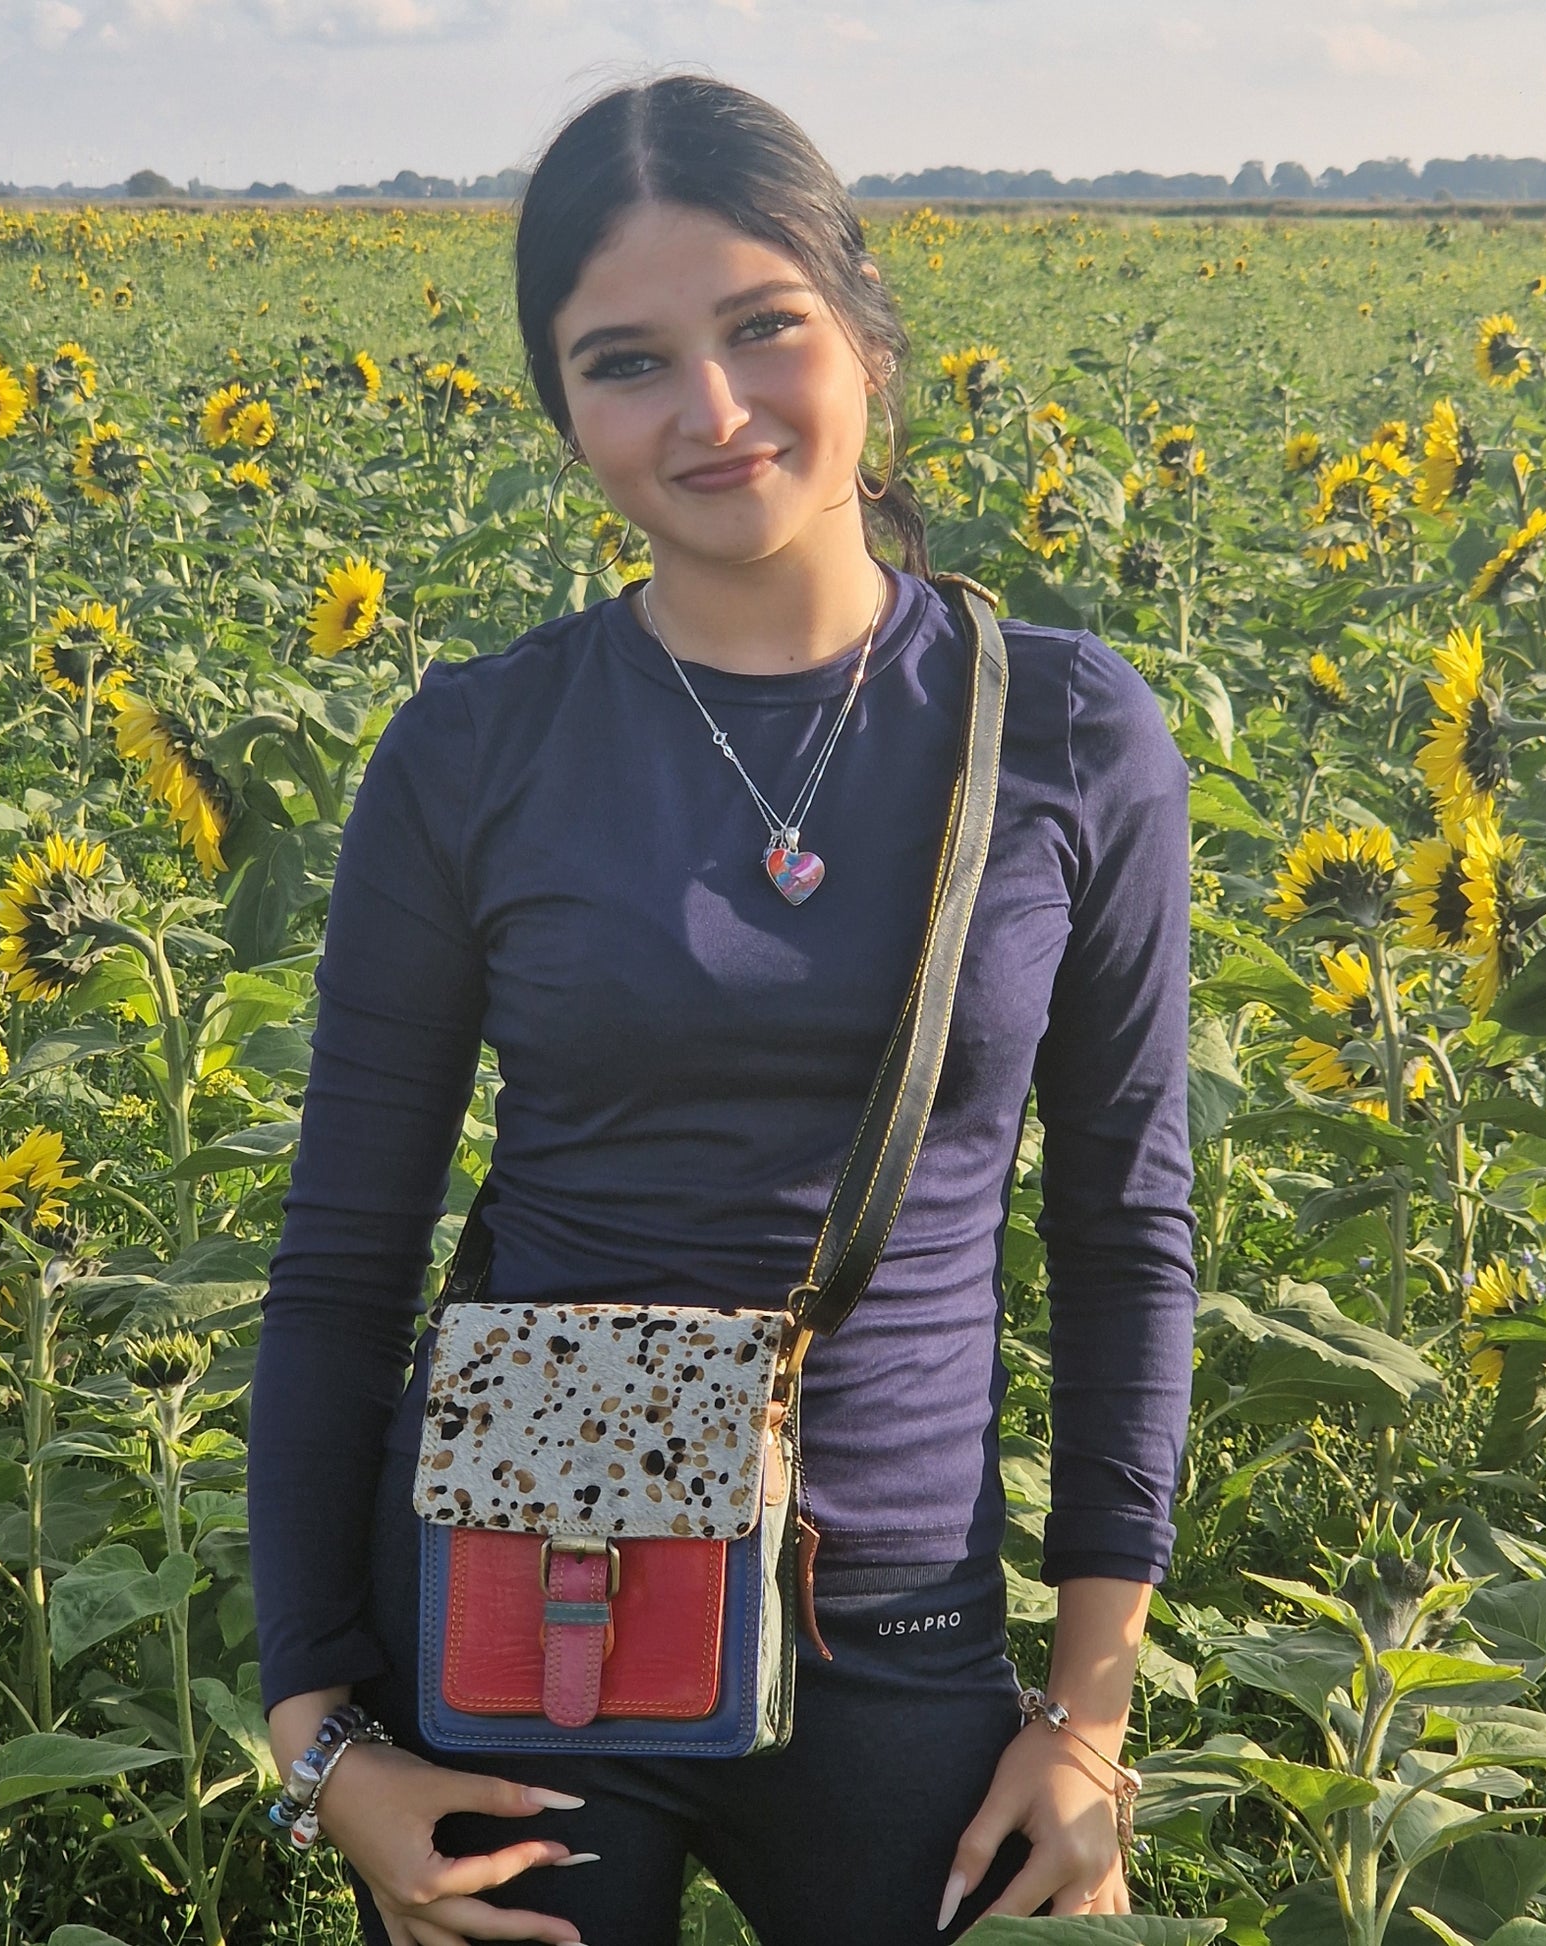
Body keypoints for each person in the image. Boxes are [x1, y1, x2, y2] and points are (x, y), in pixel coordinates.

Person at [246, 73, 1198, 1946]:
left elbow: (1124, 1230)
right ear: (559, 410)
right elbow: (345, 1255)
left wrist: (1089, 1718)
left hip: (906, 1630)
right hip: (522, 1603)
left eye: (764, 327)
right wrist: (323, 1735)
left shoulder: (1071, 736)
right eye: (624, 360)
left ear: (863, 325)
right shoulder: (473, 750)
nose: (711, 410)